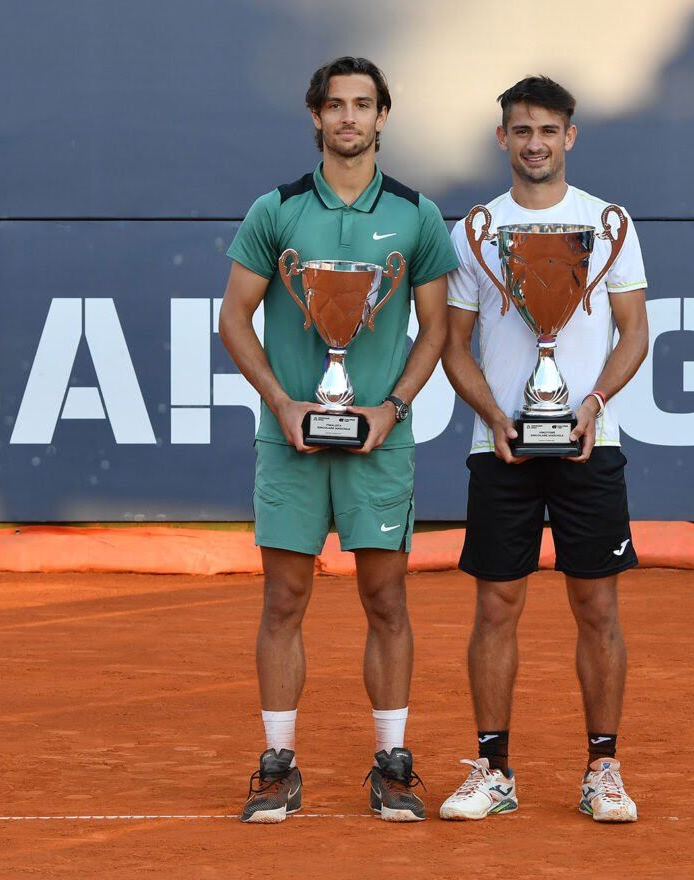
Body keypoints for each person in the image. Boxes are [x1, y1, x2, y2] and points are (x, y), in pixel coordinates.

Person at [219, 56, 458, 824]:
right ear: (315, 116)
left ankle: (392, 764)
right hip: (289, 439)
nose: (349, 118)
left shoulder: (417, 214)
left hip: (379, 442)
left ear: (383, 116)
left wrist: (391, 407)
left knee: (386, 599)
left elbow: (437, 328)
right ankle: (277, 765)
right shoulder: (277, 209)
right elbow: (233, 319)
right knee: (284, 597)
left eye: (363, 105)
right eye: (336, 106)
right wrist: (284, 403)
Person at [438, 76, 650, 823]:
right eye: (522, 130)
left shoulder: (610, 224)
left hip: (592, 443)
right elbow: (453, 346)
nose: (535, 143)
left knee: (596, 605)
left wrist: (590, 406)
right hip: (499, 447)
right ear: (503, 138)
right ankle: (493, 770)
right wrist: (494, 414)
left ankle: (603, 770)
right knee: (496, 605)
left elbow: (635, 333)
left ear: (570, 137)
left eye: (548, 130)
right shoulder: (472, 230)